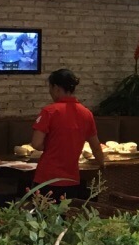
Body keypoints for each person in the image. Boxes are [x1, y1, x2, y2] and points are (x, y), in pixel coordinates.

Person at [32, 68, 103, 202]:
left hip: (47, 177)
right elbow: (96, 147)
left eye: (50, 88)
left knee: (43, 214)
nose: (50, 92)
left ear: (56, 88)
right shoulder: (86, 114)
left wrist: (51, 145)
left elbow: (36, 143)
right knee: (68, 213)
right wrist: (104, 167)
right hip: (72, 179)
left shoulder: (49, 111)